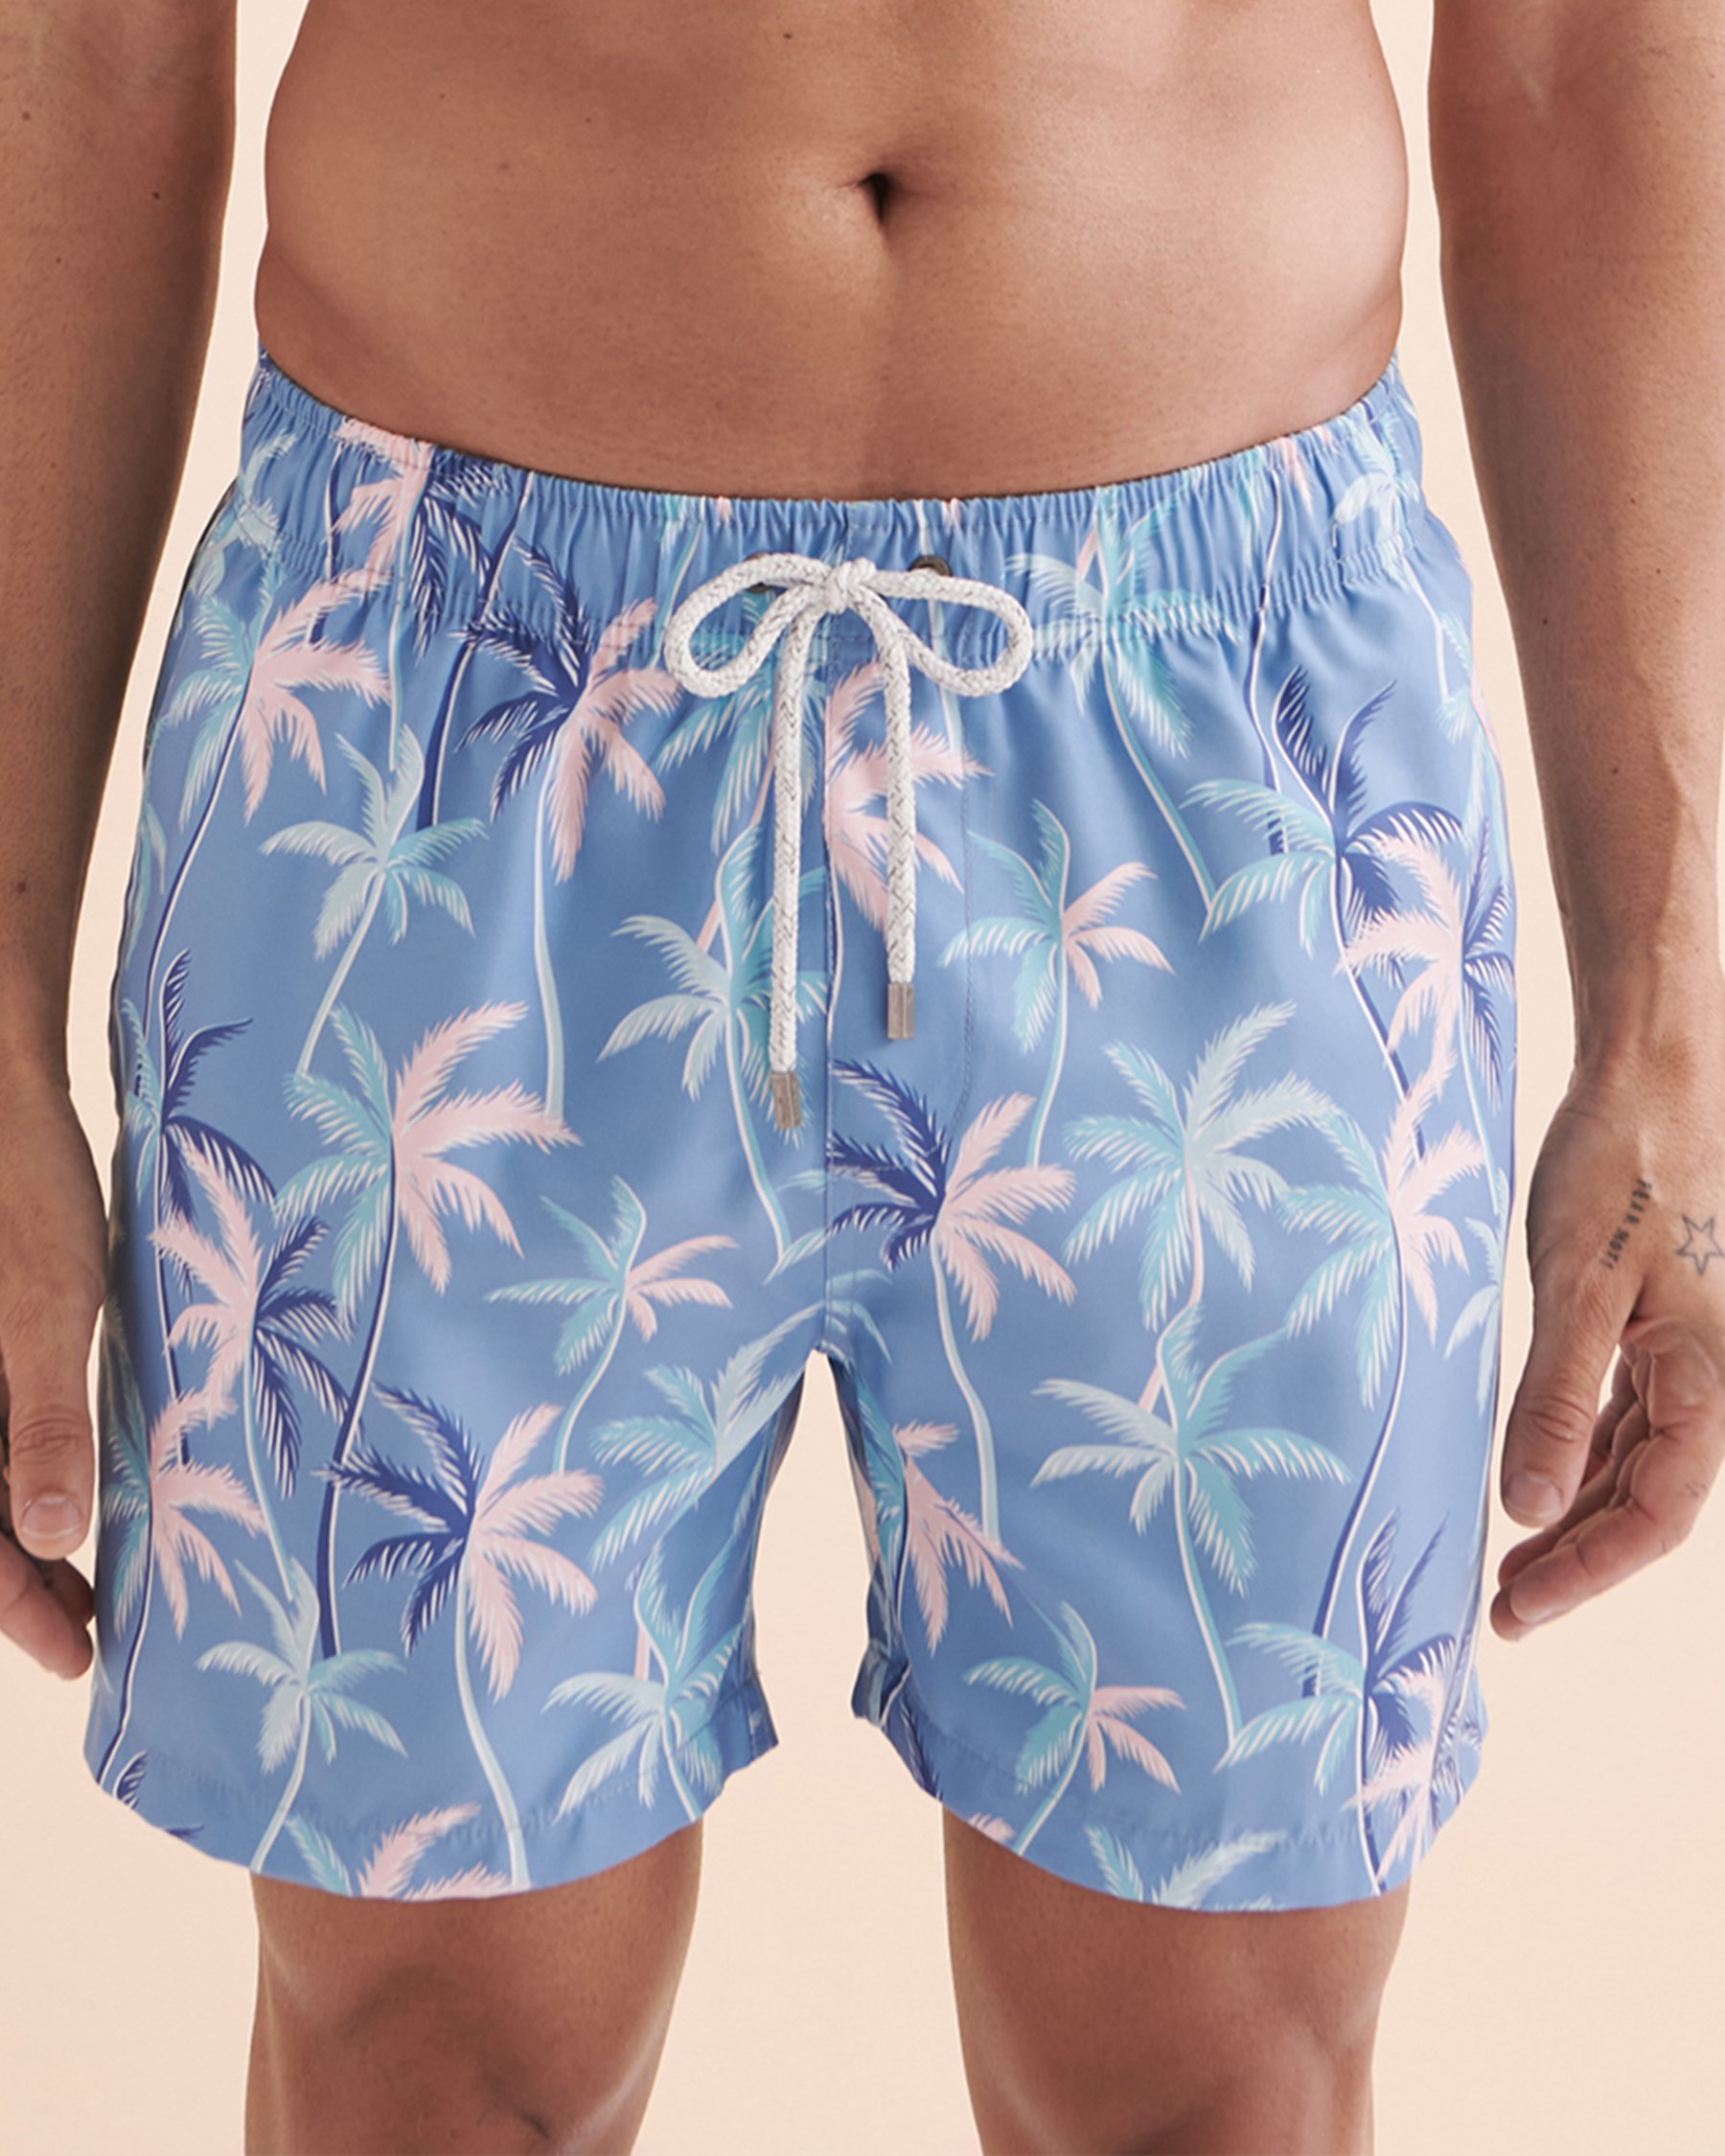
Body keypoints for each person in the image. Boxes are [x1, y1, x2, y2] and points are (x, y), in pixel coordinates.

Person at [5, 3, 1724, 2150]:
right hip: (442, 737)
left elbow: (1581, 49)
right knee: (423, 2075)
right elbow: (90, 45)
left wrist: (1667, 1019)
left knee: (1217, 2091)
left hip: (1226, 767)